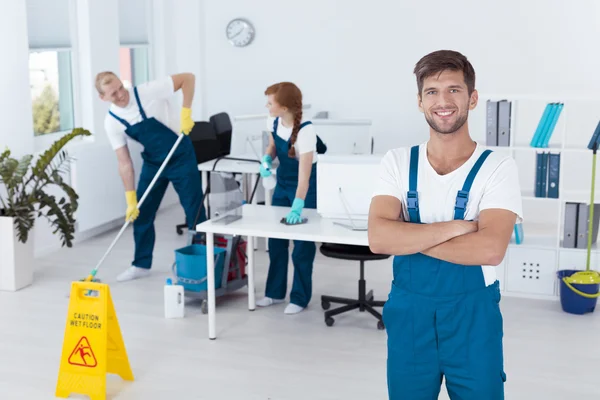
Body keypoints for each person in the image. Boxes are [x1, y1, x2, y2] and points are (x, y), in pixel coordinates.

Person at [368, 50, 523, 399]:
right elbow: (378, 239)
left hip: (472, 315)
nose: (443, 101)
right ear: (420, 102)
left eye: (454, 90)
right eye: (432, 92)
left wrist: (406, 236)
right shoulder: (397, 161)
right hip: (409, 313)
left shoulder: (498, 167)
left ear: (473, 97)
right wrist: (458, 227)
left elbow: (490, 249)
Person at [96, 71, 206, 282]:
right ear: (103, 98)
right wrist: (130, 200)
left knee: (194, 208)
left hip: (180, 154)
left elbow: (189, 78)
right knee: (142, 211)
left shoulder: (146, 91)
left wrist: (186, 113)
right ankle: (141, 264)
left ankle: (206, 260)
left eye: (120, 87)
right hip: (154, 162)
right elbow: (124, 162)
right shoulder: (113, 122)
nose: (120, 95)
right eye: (113, 94)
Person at [256, 82, 326, 314]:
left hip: (305, 189)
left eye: (270, 103)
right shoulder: (273, 121)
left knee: (302, 247)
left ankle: (299, 297)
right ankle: (274, 293)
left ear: (284, 107)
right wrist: (266, 160)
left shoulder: (306, 132)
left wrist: (298, 206)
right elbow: (273, 146)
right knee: (276, 242)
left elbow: (304, 177)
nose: (266, 106)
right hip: (282, 184)